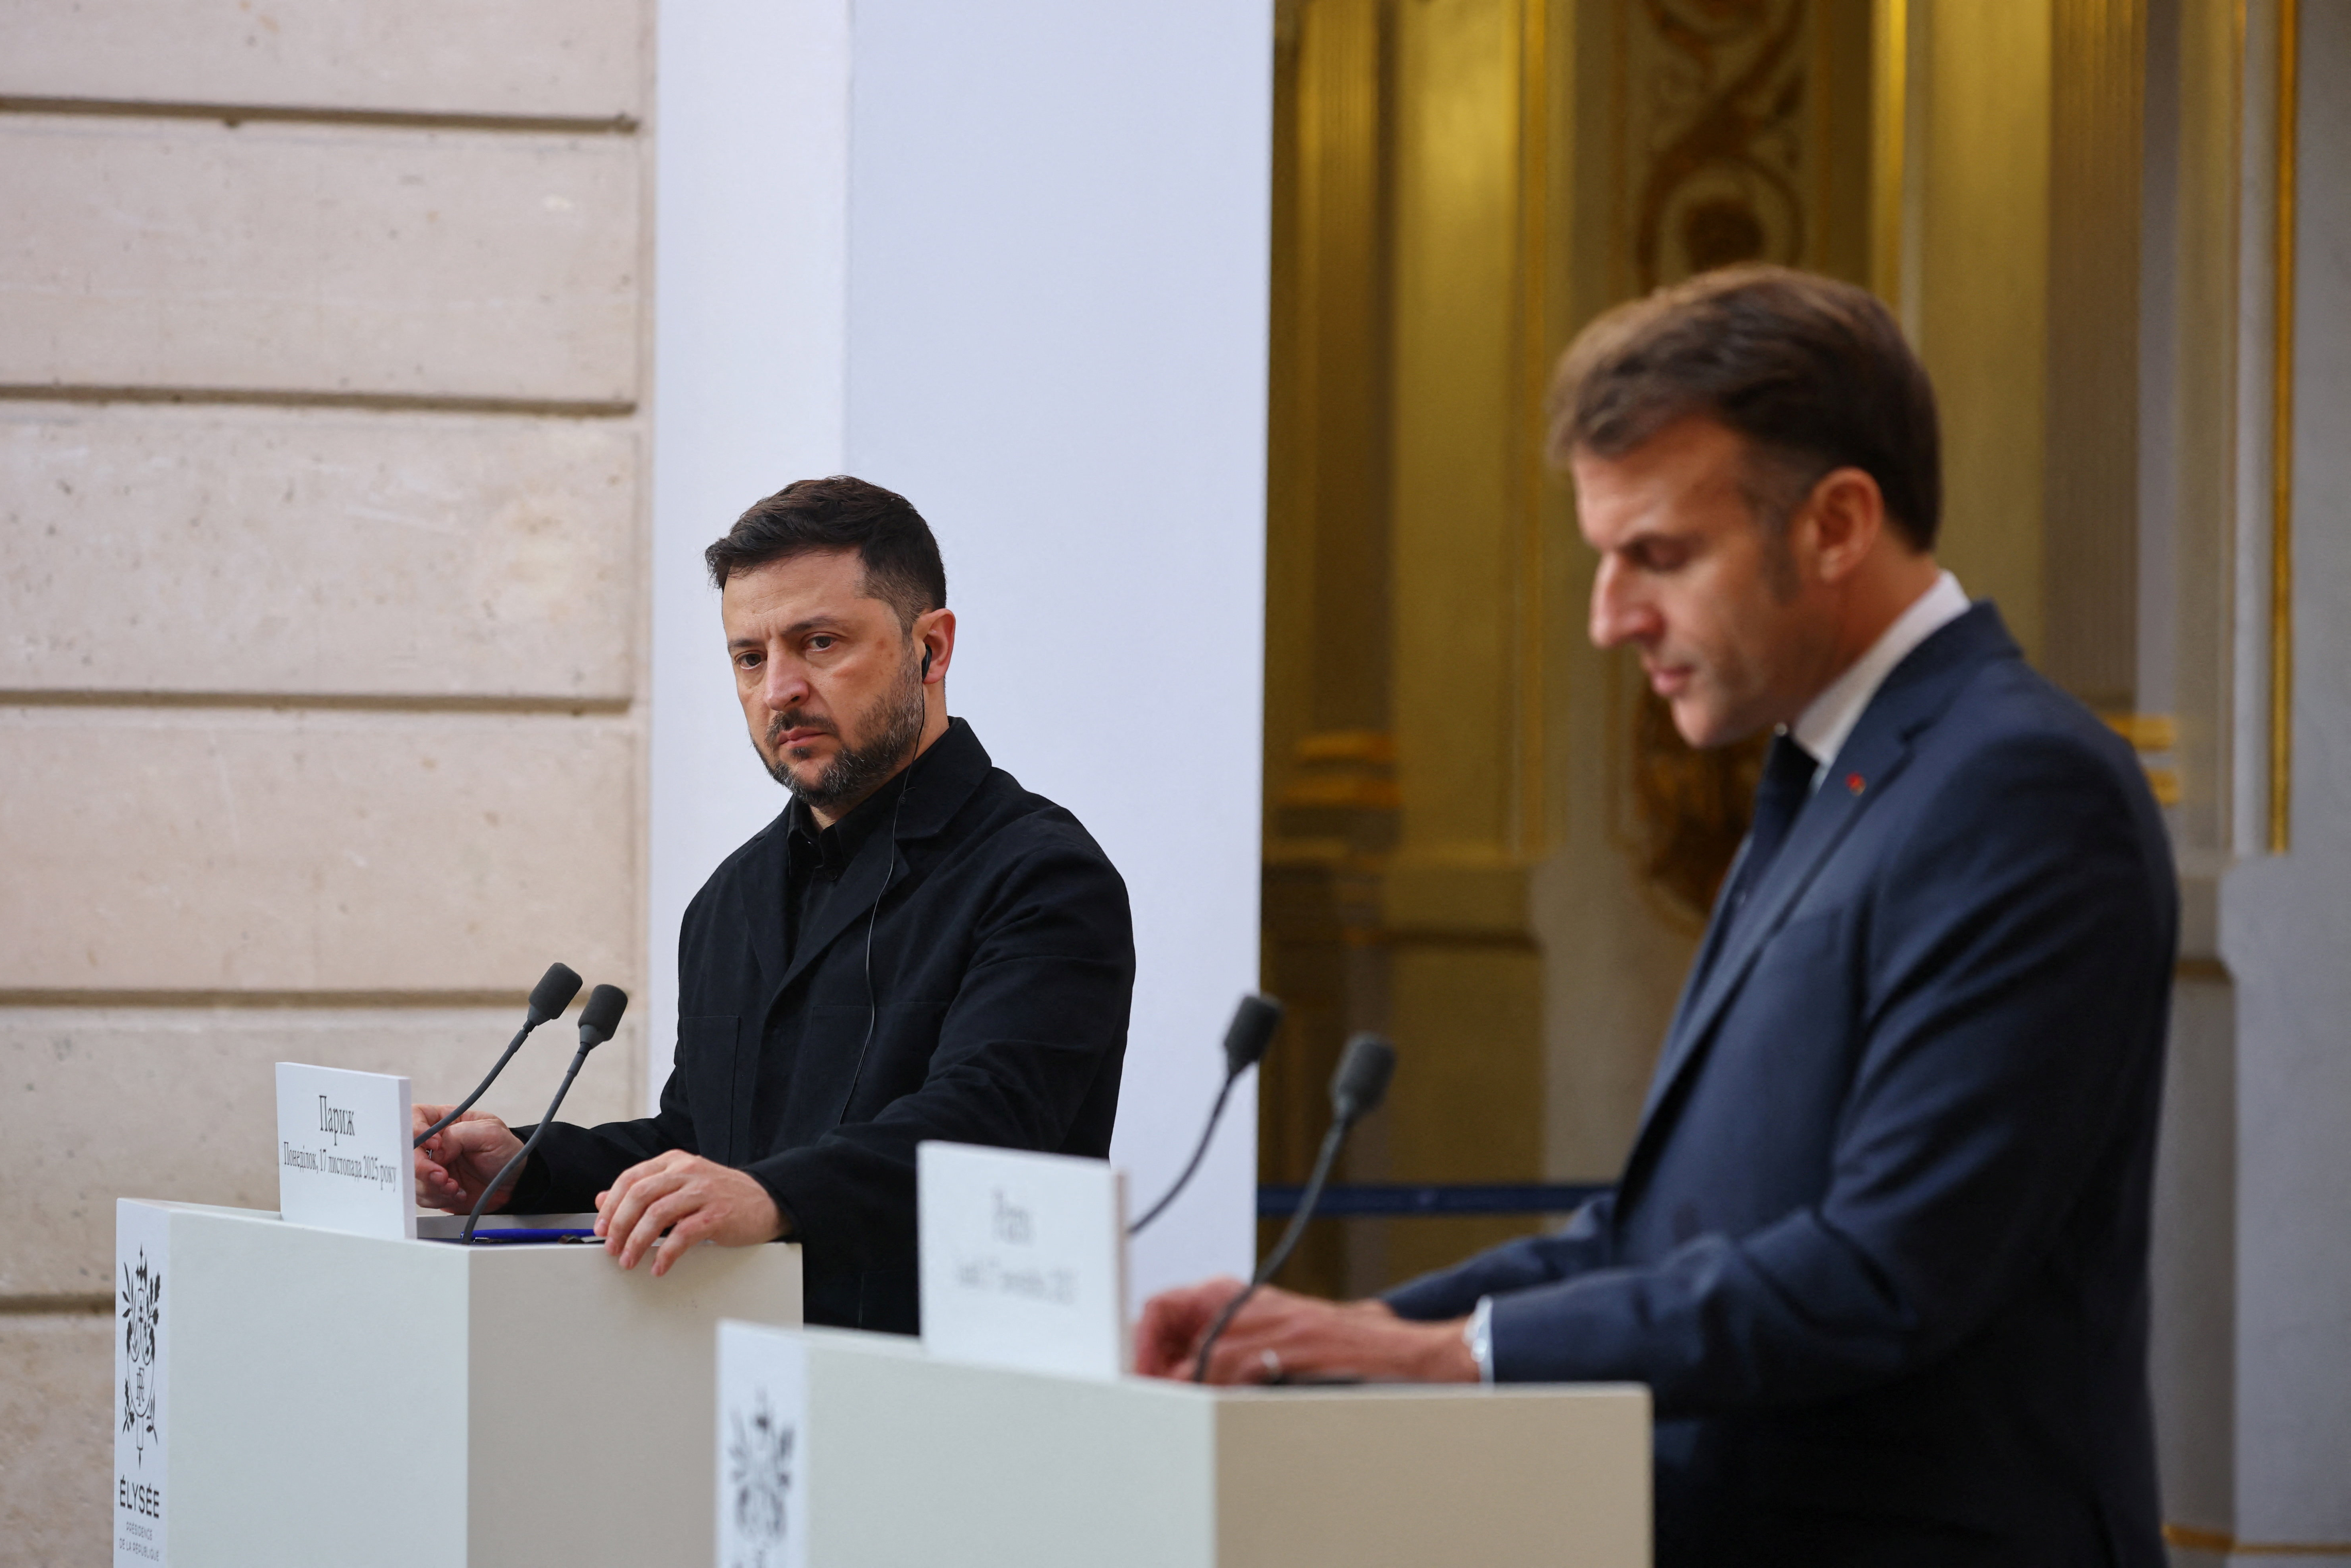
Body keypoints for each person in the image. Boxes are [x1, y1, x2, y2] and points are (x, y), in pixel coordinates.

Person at [1137, 267, 2175, 1566]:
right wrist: (1332, 1338)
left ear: (1837, 523)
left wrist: (1435, 1353)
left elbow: (1885, 1270)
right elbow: (1659, 1234)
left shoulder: (2021, 785)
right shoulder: (1830, 771)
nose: (1610, 616)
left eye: (1661, 555)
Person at [414, 476, 1135, 1333]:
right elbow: (706, 1137)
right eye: (750, 657)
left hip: (946, 1397)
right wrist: (530, 1162)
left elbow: (986, 1129)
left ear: (931, 649)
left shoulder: (1041, 874)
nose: (778, 689)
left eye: (819, 642)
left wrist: (771, 1194)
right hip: (737, 1389)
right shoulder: (730, 898)